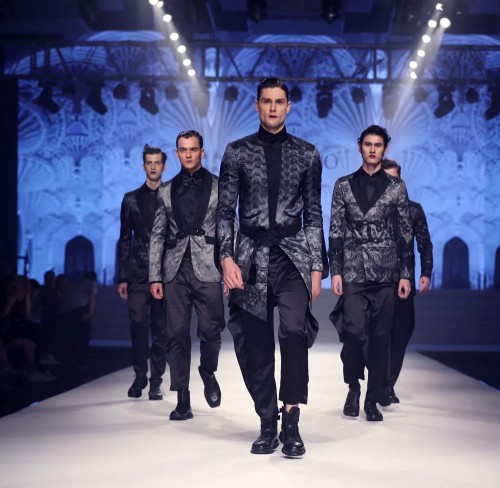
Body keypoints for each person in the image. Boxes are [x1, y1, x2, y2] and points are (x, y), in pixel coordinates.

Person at [216, 77, 325, 457]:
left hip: (292, 256)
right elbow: (224, 211)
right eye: (267, 101)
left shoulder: (308, 154)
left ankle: (291, 420)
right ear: (257, 105)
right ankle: (267, 421)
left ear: (288, 106)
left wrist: (317, 266)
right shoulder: (236, 152)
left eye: (279, 101)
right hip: (249, 258)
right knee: (255, 345)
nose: (273, 107)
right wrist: (225, 258)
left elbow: (314, 214)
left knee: (294, 331)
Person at [328, 125, 413, 422]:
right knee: (353, 332)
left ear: (384, 148)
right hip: (353, 270)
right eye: (368, 144)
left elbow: (405, 232)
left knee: (380, 338)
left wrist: (406, 274)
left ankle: (371, 400)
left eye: (378, 145)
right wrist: (335, 270)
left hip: (386, 272)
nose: (373, 149)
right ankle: (353, 385)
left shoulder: (397, 187)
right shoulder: (342, 185)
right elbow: (335, 230)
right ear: (360, 147)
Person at [149, 130, 225, 421]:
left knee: (212, 329)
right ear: (177, 153)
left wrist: (230, 267)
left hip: (210, 266)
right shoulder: (165, 190)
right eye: (183, 149)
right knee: (177, 333)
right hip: (175, 269)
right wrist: (155, 276)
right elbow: (158, 235)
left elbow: (227, 229)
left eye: (193, 149)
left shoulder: (219, 186)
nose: (189, 154)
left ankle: (208, 370)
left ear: (202, 152)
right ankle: (182, 397)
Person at [117, 144, 168, 400]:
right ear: (143, 166)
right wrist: (122, 276)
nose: (153, 166)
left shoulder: (171, 196)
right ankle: (140, 374)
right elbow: (125, 238)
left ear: (164, 166)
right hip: (137, 273)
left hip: (165, 273)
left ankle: (156, 381)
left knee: (161, 329)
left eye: (157, 162)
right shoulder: (130, 199)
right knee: (137, 325)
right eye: (149, 162)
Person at [382, 159, 433, 403]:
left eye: (395, 180)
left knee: (402, 333)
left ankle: (388, 384)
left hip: (404, 282)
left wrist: (426, 272)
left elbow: (424, 243)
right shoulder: (370, 209)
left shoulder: (414, 210)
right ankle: (379, 382)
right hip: (376, 281)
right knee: (376, 334)